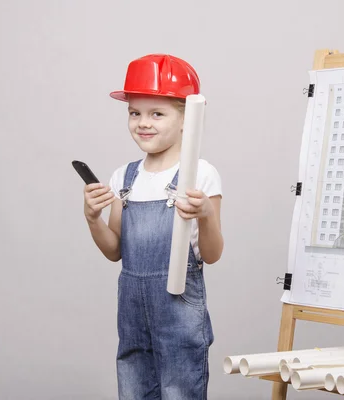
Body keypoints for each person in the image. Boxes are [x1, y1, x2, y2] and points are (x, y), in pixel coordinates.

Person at [82, 54, 223, 400]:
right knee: (133, 388)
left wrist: (204, 213)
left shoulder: (200, 174)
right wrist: (92, 219)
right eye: (135, 113)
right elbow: (115, 250)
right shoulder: (124, 178)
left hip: (179, 312)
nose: (143, 123)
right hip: (133, 317)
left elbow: (212, 253)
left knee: (180, 389)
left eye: (157, 113)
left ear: (187, 119)